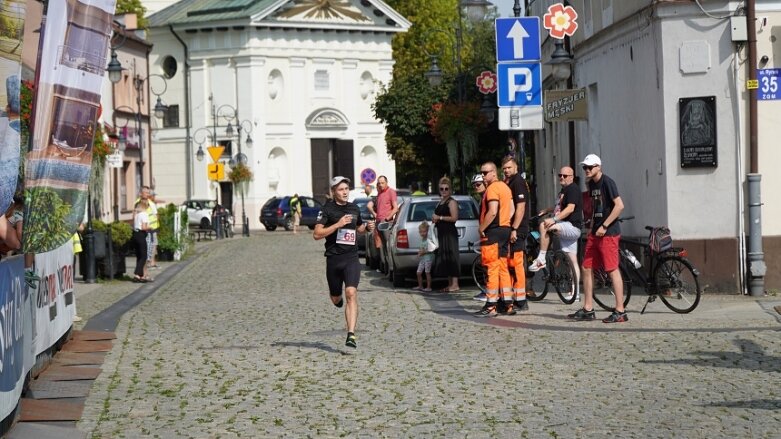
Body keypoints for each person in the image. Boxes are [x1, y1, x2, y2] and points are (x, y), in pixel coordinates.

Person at [314, 176, 375, 348]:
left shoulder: (354, 208)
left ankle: (351, 334)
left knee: (351, 293)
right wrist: (337, 225)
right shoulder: (327, 209)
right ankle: (336, 299)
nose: (345, 192)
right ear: (333, 192)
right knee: (336, 297)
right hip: (334, 259)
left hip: (351, 258)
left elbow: (359, 229)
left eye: (346, 189)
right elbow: (317, 234)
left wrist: (367, 228)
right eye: (341, 189)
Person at [569, 154, 627, 323]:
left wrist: (605, 225)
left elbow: (619, 206)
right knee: (586, 267)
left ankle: (620, 311)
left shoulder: (607, 182)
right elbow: (595, 207)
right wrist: (591, 227)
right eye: (584, 167)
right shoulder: (591, 184)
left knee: (611, 269)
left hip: (608, 233)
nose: (587, 170)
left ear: (598, 167)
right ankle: (588, 308)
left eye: (590, 167)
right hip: (595, 232)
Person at [528, 166, 583, 300]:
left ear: (571, 177)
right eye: (560, 175)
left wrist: (553, 219)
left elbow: (570, 209)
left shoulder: (573, 189)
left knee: (544, 225)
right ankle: (575, 293)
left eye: (565, 175)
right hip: (566, 226)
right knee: (572, 260)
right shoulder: (564, 190)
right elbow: (561, 207)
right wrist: (547, 210)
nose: (561, 178)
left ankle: (541, 258)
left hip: (571, 226)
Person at [474, 162, 514, 317]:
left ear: (494, 173)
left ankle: (491, 305)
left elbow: (492, 211)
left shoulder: (492, 189)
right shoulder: (505, 187)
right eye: (482, 173)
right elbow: (512, 209)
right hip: (505, 229)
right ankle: (508, 304)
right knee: (503, 267)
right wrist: (506, 225)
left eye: (485, 173)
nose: (483, 176)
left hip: (494, 232)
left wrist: (481, 228)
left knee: (491, 268)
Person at [501, 156, 530, 314]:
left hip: (517, 228)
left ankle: (521, 299)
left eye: (509, 167)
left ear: (516, 167)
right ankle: (515, 296)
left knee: (516, 263)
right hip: (512, 227)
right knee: (511, 263)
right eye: (504, 168)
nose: (506, 170)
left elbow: (521, 207)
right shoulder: (510, 181)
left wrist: (514, 228)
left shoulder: (517, 182)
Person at [432, 176, 460, 292]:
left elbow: (454, 218)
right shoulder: (440, 201)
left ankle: (455, 284)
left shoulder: (451, 202)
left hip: (449, 233)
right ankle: (450, 284)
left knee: (452, 255)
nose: (444, 191)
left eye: (446, 189)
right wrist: (435, 219)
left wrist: (440, 217)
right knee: (445, 257)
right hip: (442, 233)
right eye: (442, 189)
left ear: (450, 190)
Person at [470, 174, 489, 302]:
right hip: (484, 235)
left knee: (489, 265)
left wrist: (483, 228)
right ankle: (487, 291)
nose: (476, 187)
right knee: (485, 264)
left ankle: (489, 293)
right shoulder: (481, 198)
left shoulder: (488, 196)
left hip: (489, 234)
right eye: (474, 185)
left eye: (478, 184)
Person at [372, 175, 398, 267]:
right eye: (379, 183)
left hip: (386, 223)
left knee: (388, 246)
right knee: (382, 247)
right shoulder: (379, 193)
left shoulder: (391, 192)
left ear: (387, 183)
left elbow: (395, 208)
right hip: (378, 223)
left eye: (382, 183)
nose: (381, 185)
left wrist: (387, 218)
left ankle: (391, 268)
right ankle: (386, 268)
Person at [137, 187, 159, 269]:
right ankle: (147, 264)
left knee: (153, 245)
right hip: (145, 229)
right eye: (146, 192)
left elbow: (156, 215)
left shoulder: (151, 203)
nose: (148, 194)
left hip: (152, 228)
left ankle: (151, 262)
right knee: (147, 247)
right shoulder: (138, 203)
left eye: (148, 193)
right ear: (141, 193)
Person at [132, 199, 151, 282]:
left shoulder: (137, 215)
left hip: (135, 234)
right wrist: (150, 227)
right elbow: (143, 227)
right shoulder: (144, 214)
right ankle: (137, 274)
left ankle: (140, 275)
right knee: (144, 256)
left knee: (139, 256)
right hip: (141, 235)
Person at [412, 221, 435, 292]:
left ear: (428, 231)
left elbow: (431, 249)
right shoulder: (422, 240)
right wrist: (419, 252)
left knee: (427, 272)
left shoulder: (429, 240)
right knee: (418, 272)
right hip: (423, 259)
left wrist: (423, 252)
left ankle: (429, 287)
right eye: (421, 232)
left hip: (428, 259)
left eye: (424, 231)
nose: (422, 233)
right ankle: (420, 286)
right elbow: (421, 248)